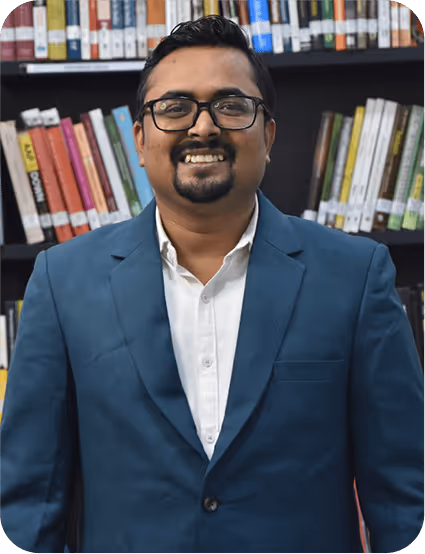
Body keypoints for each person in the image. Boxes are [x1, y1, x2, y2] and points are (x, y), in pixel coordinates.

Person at [0, 15, 423, 554]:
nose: (203, 127)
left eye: (231, 105)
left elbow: (405, 499)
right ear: (140, 140)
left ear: (268, 135)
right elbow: (29, 506)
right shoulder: (62, 282)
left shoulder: (356, 276)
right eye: (175, 107)